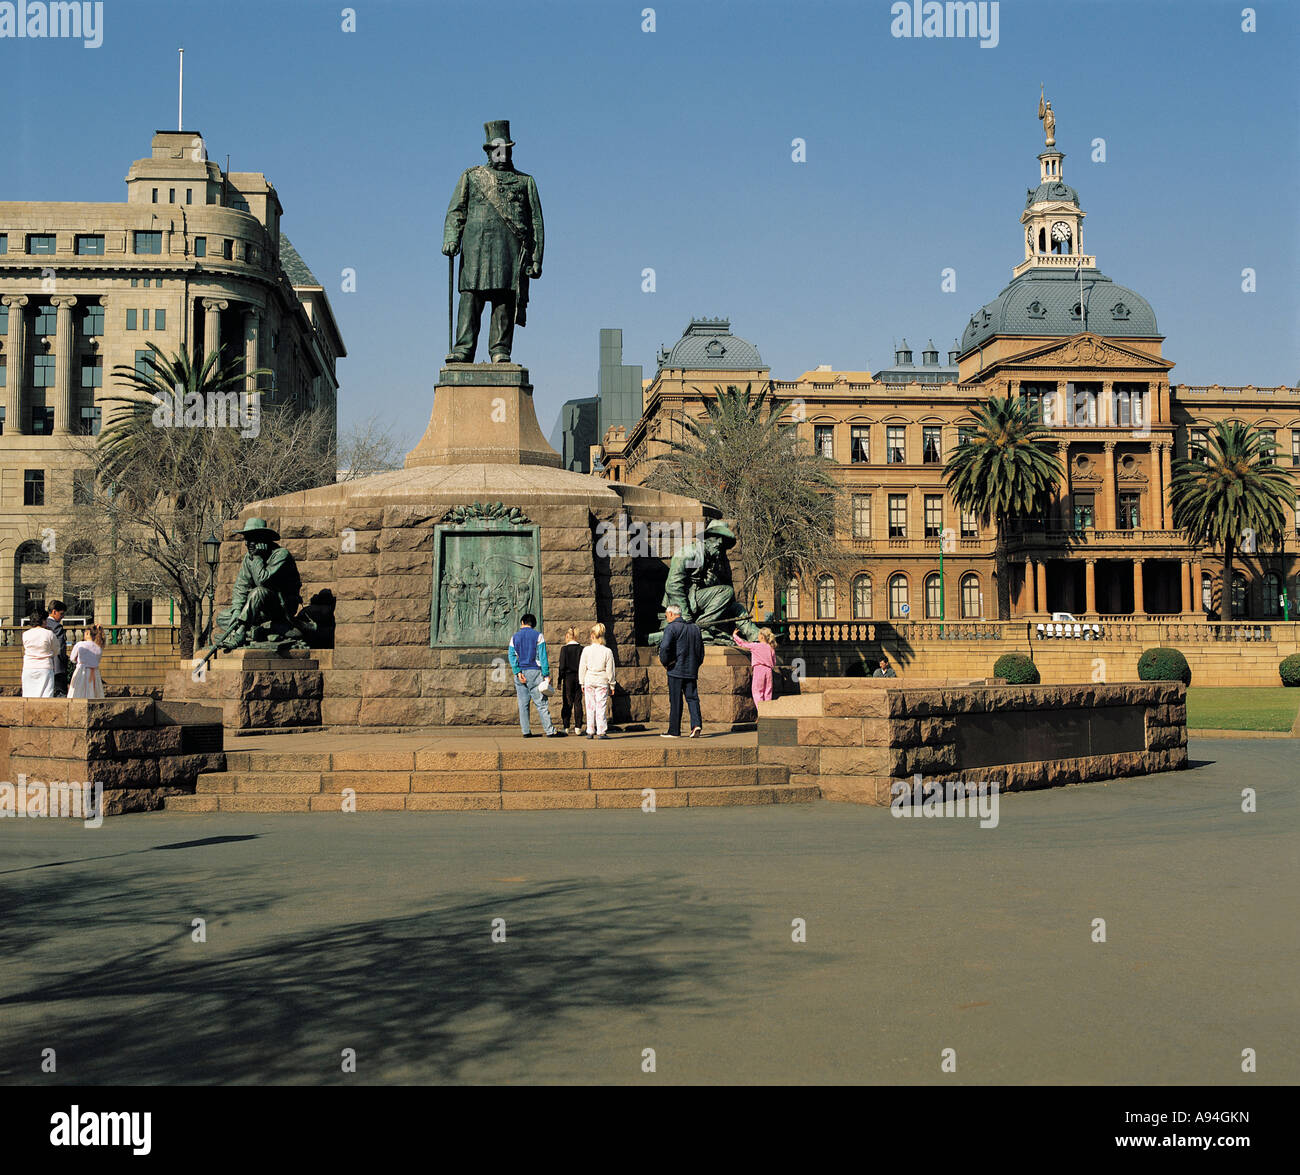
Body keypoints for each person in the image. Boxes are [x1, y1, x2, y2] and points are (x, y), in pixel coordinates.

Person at [441, 119, 544, 364]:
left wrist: (536, 258)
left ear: (510, 150)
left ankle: (500, 350)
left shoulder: (525, 182)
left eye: (505, 149)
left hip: (509, 253)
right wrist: (451, 238)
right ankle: (463, 349)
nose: (500, 153)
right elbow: (457, 210)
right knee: (470, 299)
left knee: (504, 301)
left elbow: (536, 222)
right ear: (488, 151)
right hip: (476, 251)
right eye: (495, 149)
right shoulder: (471, 177)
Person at [507, 612, 559, 737]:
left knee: (523, 703)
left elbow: (511, 655)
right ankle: (550, 731)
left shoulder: (514, 637)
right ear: (533, 624)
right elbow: (543, 656)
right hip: (535, 671)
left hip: (521, 672)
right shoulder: (538, 636)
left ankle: (526, 731)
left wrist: (517, 672)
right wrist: (546, 674)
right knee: (541, 703)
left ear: (522, 623)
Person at [658, 604, 704, 738]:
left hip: (675, 670)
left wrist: (665, 663)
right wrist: (696, 665)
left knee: (676, 700)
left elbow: (665, 647)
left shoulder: (671, 627)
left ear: (672, 614)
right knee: (692, 698)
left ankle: (674, 731)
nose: (666, 618)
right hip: (691, 670)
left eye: (667, 615)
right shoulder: (695, 628)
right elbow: (701, 651)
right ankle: (696, 725)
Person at [577, 623, 617, 740]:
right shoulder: (607, 651)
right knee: (601, 706)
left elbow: (582, 667)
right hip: (602, 681)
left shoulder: (586, 650)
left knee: (590, 706)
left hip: (589, 680)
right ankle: (601, 731)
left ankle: (590, 731)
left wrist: (582, 682)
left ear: (592, 635)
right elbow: (610, 670)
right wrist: (612, 685)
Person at [734, 627, 778, 704]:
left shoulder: (756, 646)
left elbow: (743, 644)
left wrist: (735, 636)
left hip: (759, 670)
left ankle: (761, 711)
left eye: (758, 635)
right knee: (768, 692)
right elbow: (774, 662)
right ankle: (768, 711)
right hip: (768, 671)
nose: (757, 636)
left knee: (757, 691)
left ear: (761, 636)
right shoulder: (771, 647)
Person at [21, 608, 58, 697]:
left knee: (28, 696)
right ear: (43, 620)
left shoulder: (25, 634)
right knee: (46, 696)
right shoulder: (49, 634)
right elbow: (56, 650)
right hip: (45, 667)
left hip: (28, 667)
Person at [557, 626, 585, 735]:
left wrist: (559, 680)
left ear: (567, 636)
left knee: (567, 702)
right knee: (578, 702)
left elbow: (562, 666)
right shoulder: (581, 649)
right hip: (579, 677)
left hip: (568, 678)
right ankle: (578, 726)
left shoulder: (564, 649)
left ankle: (566, 726)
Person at [67, 624, 107, 699]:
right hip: (95, 672)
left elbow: (72, 658)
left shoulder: (80, 644)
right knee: (93, 691)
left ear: (88, 633)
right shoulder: (99, 648)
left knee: (79, 691)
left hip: (82, 670)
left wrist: (77, 659)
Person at [45, 599, 70, 696]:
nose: (62, 617)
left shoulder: (43, 624)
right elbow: (61, 648)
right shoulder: (57, 627)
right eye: (61, 614)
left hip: (43, 665)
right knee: (61, 692)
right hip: (57, 665)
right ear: (54, 612)